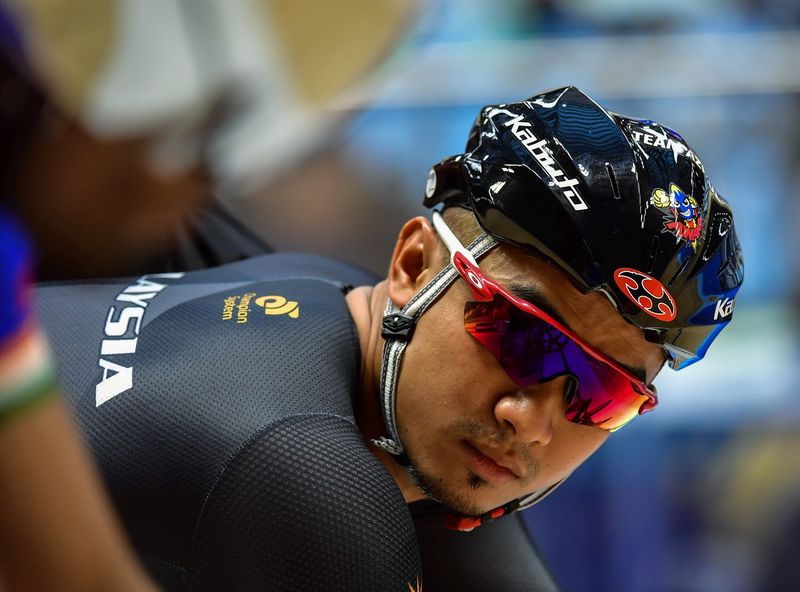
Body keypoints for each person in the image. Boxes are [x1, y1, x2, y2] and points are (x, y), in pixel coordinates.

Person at [35, 86, 744, 591]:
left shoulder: (326, 299)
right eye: (520, 337)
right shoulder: (311, 480)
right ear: (412, 267)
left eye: (601, 395)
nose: (527, 421)